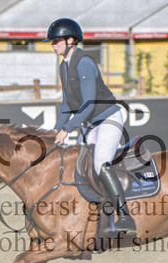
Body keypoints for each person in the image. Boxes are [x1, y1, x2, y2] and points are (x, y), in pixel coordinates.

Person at [46, 17, 136, 234]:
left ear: (70, 40)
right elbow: (67, 103)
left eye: (56, 40)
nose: (53, 45)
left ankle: (125, 217)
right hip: (91, 123)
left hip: (108, 119)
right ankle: (96, 218)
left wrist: (68, 129)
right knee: (81, 166)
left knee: (100, 164)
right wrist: (56, 129)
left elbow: (88, 104)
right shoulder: (64, 66)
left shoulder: (84, 62)